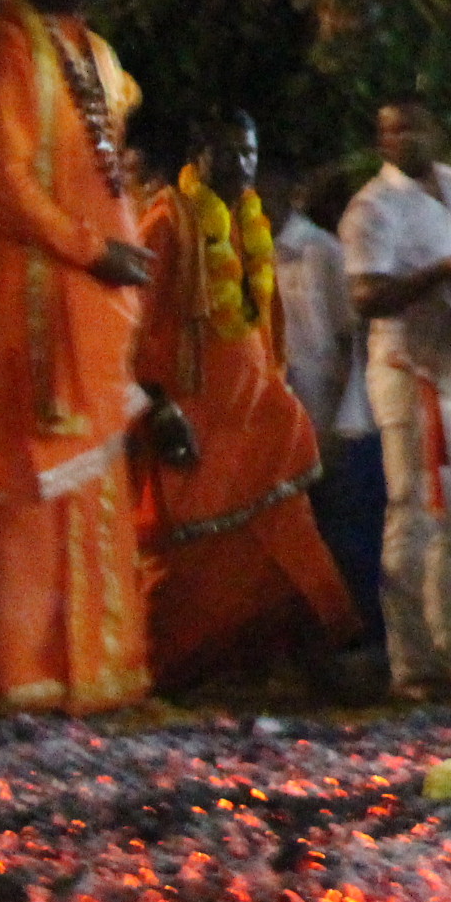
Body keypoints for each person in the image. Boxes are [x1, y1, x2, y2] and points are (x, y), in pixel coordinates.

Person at [0, 0, 156, 718]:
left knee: (94, 493)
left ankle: (97, 677)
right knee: (22, 491)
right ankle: (21, 679)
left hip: (97, 304)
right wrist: (92, 249)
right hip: (24, 298)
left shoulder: (100, 57)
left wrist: (124, 257)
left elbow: (112, 178)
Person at [133, 112, 358, 692]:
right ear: (197, 155)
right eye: (227, 153)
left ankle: (320, 667)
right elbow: (131, 326)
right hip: (196, 424)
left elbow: (265, 328)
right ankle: (157, 675)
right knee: (195, 565)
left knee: (294, 540)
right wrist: (159, 409)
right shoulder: (167, 222)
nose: (240, 165)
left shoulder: (251, 219)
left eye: (249, 153)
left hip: (258, 420)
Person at [340, 99, 451, 699]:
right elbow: (366, 296)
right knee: (413, 511)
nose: (399, 139)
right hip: (409, 369)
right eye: (387, 131)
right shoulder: (372, 207)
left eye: (411, 126)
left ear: (437, 130)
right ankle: (411, 663)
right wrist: (437, 274)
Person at [274, 165, 382, 638]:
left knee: (346, 541)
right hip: (281, 428)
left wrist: (343, 417)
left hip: (331, 421)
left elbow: (349, 341)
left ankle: (358, 641)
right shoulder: (245, 250)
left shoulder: (320, 252)